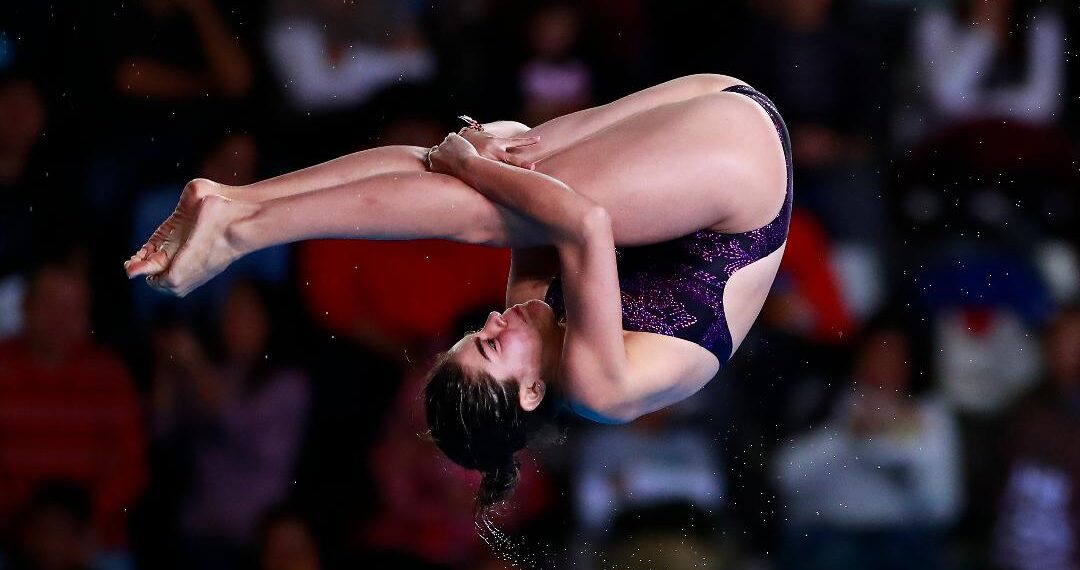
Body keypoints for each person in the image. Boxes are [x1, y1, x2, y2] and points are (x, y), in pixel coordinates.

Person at [126, 73, 792, 514]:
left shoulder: (536, 313)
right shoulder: (596, 386)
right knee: (481, 205)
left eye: (477, 335)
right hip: (744, 171)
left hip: (716, 111)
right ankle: (243, 231)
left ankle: (239, 199)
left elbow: (513, 190)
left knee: (472, 180)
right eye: (491, 345)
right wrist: (473, 161)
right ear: (530, 391)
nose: (494, 319)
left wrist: (480, 153)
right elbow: (584, 222)